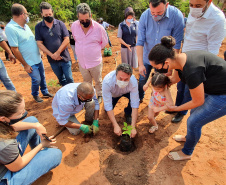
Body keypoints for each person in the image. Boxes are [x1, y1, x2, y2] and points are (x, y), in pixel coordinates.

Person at [148, 36, 226, 160]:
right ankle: (189, 137)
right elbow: (174, 79)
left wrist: (176, 108)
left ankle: (187, 152)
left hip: (222, 95)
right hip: (212, 86)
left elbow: (198, 101)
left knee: (194, 121)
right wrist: (157, 85)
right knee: (194, 113)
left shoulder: (192, 71)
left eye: (157, 68)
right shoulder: (180, 60)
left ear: (166, 63)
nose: (157, 71)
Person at [171, 0, 226, 123]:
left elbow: (212, 51)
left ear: (209, 2)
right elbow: (189, 36)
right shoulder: (193, 12)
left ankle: (181, 112)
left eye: (198, 6)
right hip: (183, 60)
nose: (193, 8)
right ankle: (175, 108)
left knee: (188, 93)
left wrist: (198, 73)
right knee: (180, 88)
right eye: (191, 5)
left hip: (197, 67)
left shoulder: (217, 19)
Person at [0, 90, 62, 185]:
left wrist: (36, 125)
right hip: (4, 176)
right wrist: (42, 145)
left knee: (32, 121)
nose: (24, 113)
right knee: (55, 154)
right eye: (20, 113)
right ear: (3, 119)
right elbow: (17, 166)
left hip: (5, 159)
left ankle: (39, 154)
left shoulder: (2, 125)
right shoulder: (5, 143)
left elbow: (10, 127)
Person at [137, 0, 184, 102]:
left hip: (164, 61)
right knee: (142, 80)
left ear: (166, 5)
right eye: (152, 13)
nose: (155, 16)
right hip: (146, 56)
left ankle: (156, 99)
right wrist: (140, 64)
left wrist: (170, 66)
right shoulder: (145, 16)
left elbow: (176, 44)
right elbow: (139, 42)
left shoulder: (176, 16)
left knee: (160, 83)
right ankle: (140, 97)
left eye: (159, 13)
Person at [5, 3, 53, 103]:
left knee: (42, 77)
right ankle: (35, 94)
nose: (27, 16)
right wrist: (25, 64)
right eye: (27, 14)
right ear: (22, 14)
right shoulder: (11, 28)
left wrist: (40, 51)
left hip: (37, 57)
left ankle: (44, 92)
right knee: (36, 79)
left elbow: (33, 40)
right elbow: (15, 49)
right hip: (29, 61)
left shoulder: (25, 26)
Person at [71, 3, 108, 104]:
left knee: (98, 80)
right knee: (87, 82)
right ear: (78, 18)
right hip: (82, 63)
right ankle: (90, 96)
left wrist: (93, 50)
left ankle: (99, 94)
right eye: (82, 20)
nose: (84, 22)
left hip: (95, 62)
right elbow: (75, 39)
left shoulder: (99, 28)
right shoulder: (74, 26)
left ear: (90, 16)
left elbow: (104, 42)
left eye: (87, 20)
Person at [35, 2, 74, 86]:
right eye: (46, 15)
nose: (48, 16)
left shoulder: (60, 24)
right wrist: (52, 55)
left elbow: (66, 39)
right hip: (52, 60)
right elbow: (39, 43)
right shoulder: (38, 27)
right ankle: (65, 94)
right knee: (61, 79)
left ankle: (72, 94)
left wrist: (57, 53)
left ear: (52, 12)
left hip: (64, 57)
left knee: (69, 78)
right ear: (41, 14)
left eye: (50, 14)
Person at [102, 63, 139, 138]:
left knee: (138, 96)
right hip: (114, 95)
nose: (123, 81)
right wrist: (115, 125)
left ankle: (128, 113)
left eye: (126, 79)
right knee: (107, 109)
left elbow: (135, 104)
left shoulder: (133, 82)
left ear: (130, 77)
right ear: (116, 75)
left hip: (127, 92)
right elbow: (108, 105)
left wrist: (133, 126)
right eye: (120, 78)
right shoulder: (107, 82)